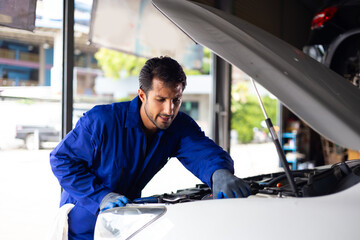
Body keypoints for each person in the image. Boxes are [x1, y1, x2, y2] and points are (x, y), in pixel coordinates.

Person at [50, 56, 250, 240]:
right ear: (142, 95)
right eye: (161, 99)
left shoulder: (178, 127)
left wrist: (219, 172)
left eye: (176, 100)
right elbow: (61, 160)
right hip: (80, 228)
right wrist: (100, 196)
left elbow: (202, 152)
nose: (169, 110)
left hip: (123, 225)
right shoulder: (102, 121)